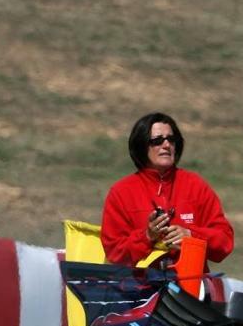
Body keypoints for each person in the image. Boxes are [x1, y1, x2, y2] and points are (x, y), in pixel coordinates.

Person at [100, 112, 234, 267]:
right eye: (157, 141)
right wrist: (147, 236)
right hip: (139, 288)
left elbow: (225, 241)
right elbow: (114, 253)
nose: (166, 145)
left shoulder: (195, 185)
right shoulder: (121, 192)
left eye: (171, 139)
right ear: (141, 146)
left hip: (189, 286)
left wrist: (191, 236)